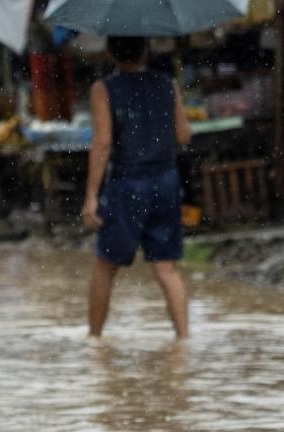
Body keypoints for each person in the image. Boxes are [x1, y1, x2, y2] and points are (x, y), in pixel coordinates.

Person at [81, 36, 191, 339]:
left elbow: (102, 143)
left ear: (109, 52)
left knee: (106, 267)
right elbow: (183, 134)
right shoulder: (167, 84)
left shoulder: (104, 89)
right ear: (146, 49)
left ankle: (95, 342)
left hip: (127, 183)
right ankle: (183, 341)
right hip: (166, 181)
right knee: (166, 269)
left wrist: (91, 196)